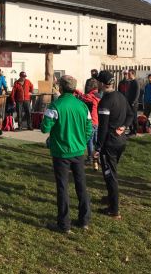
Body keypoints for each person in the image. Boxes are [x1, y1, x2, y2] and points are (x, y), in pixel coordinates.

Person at [41, 75, 92, 233]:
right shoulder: (82, 106)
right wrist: (82, 142)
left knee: (63, 187)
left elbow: (45, 128)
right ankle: (84, 220)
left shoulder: (55, 106)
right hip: (78, 151)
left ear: (60, 88)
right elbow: (89, 128)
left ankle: (64, 224)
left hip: (61, 152)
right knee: (81, 185)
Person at [95, 70, 134, 219]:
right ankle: (111, 198)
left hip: (109, 143)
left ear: (102, 83)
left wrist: (98, 147)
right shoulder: (120, 96)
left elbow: (103, 128)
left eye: (98, 81)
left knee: (110, 175)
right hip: (120, 142)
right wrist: (124, 126)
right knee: (112, 172)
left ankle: (114, 210)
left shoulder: (105, 102)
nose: (97, 83)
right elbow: (131, 114)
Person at [76, 79, 102, 164]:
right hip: (97, 122)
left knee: (89, 141)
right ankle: (98, 157)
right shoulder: (98, 96)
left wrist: (76, 92)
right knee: (96, 141)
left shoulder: (90, 97)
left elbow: (84, 97)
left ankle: (90, 158)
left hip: (91, 122)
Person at [125, 69, 140, 136]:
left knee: (134, 117)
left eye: (129, 74)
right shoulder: (130, 82)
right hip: (129, 102)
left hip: (134, 103)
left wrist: (134, 102)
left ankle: (135, 131)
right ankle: (131, 130)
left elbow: (137, 93)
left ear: (133, 74)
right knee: (129, 116)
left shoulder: (136, 82)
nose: (128, 75)